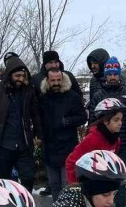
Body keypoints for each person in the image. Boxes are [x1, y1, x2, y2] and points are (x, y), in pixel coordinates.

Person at [0, 55, 44, 190]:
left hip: (24, 144)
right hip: (3, 144)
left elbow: (35, 114)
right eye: (18, 76)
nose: (21, 79)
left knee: (28, 177)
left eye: (23, 76)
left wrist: (38, 134)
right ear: (10, 74)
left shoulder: (28, 91)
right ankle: (5, 206)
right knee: (3, 180)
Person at [93, 56, 126, 207]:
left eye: (115, 73)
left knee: (120, 180)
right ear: (105, 75)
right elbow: (92, 122)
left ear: (119, 74)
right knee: (103, 179)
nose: (112, 77)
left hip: (124, 144)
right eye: (110, 74)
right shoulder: (99, 95)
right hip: (104, 144)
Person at [37, 66, 88, 198]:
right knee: (54, 184)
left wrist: (67, 121)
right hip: (50, 147)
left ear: (63, 79)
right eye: (53, 80)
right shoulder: (43, 98)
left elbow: (83, 117)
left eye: (58, 80)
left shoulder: (72, 97)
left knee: (68, 184)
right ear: (47, 81)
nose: (56, 83)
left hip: (67, 146)